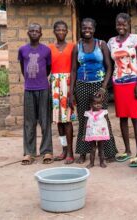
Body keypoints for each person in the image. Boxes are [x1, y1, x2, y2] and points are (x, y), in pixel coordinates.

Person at [69, 18, 118, 164]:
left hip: (99, 86)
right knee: (84, 118)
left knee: (103, 118)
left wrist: (104, 87)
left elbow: (109, 66)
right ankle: (83, 153)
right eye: (84, 28)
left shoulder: (101, 44)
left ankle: (109, 153)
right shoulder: (77, 46)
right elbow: (73, 70)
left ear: (94, 29)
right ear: (81, 29)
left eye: (89, 28)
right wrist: (71, 92)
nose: (87, 30)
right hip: (82, 86)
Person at [107, 13, 137, 167]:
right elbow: (110, 64)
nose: (121, 27)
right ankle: (127, 151)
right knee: (122, 117)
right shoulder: (111, 42)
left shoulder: (135, 39)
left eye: (124, 24)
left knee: (135, 117)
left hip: (133, 82)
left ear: (129, 24)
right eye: (118, 24)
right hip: (118, 83)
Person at [18, 23, 53, 165]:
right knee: (29, 122)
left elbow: (48, 69)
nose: (34, 33)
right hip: (29, 90)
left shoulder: (46, 50)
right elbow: (22, 68)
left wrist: (40, 80)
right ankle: (29, 152)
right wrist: (30, 81)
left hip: (43, 89)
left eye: (37, 31)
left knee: (45, 121)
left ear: (41, 34)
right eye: (31, 31)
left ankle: (46, 151)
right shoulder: (22, 50)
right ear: (27, 33)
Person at [48, 20, 75, 164]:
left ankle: (70, 152)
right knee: (58, 121)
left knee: (68, 120)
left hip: (67, 84)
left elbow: (74, 69)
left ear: (67, 32)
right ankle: (64, 150)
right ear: (54, 31)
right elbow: (48, 69)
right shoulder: (50, 48)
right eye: (58, 30)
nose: (61, 32)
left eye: (64, 30)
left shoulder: (72, 47)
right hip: (54, 85)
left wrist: (71, 91)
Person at [83, 94, 110, 168]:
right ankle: (91, 163)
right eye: (95, 103)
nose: (98, 105)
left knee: (101, 148)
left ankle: (102, 162)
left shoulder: (104, 112)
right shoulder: (88, 113)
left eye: (100, 103)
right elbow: (85, 124)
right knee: (93, 149)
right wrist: (83, 135)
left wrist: (108, 132)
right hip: (91, 134)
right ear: (91, 105)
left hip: (101, 133)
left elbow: (107, 122)